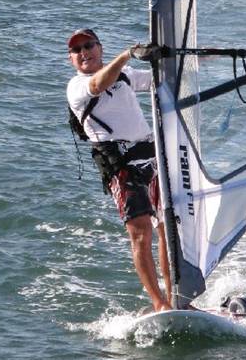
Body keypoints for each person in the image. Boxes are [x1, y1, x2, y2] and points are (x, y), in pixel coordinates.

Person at [66, 28, 173, 312]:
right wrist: (127, 54)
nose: (84, 53)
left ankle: (176, 298)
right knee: (141, 233)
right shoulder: (77, 87)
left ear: (100, 48)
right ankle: (159, 303)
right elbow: (98, 84)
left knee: (168, 230)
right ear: (71, 59)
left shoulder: (124, 77)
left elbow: (164, 79)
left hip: (151, 159)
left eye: (89, 46)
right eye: (77, 50)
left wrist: (188, 55)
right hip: (122, 168)